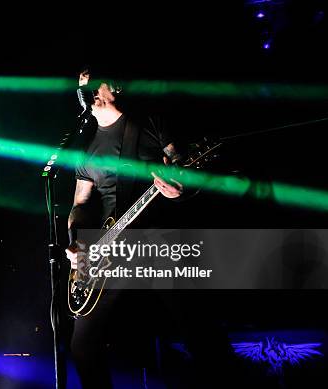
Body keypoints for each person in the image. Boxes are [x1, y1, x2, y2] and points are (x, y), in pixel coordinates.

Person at [65, 70, 239, 388]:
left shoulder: (150, 123)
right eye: (83, 88)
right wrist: (77, 243)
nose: (88, 91)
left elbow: (185, 168)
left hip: (155, 239)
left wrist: (181, 188)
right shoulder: (85, 146)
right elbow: (80, 203)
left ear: (114, 87)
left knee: (198, 329)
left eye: (94, 84)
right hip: (104, 254)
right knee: (82, 347)